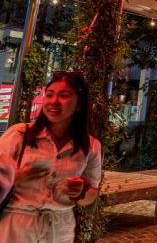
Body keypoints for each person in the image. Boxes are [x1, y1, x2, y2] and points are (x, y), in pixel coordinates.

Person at [0, 71, 101, 243]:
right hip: (15, 225)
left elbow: (92, 194)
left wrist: (81, 192)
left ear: (78, 105)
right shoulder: (19, 134)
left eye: (64, 95)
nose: (54, 101)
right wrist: (15, 177)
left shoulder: (90, 146)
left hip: (60, 229)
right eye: (49, 95)